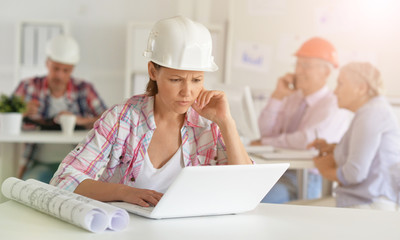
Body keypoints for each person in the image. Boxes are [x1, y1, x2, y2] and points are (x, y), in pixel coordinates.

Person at [50, 16, 252, 207]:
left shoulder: (209, 124)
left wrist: (226, 122)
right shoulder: (122, 119)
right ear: (153, 72)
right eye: (176, 80)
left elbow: (245, 189)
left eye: (197, 80)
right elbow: (63, 179)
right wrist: (123, 192)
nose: (187, 92)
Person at [251, 37, 352, 203]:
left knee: (256, 201)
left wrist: (267, 142)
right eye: (297, 64)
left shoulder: (334, 103)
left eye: (306, 65)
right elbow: (266, 132)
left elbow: (307, 139)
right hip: (278, 171)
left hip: (307, 178)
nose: (298, 71)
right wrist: (277, 96)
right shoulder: (293, 97)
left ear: (326, 72)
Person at [308, 62, 400, 211]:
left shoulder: (371, 114)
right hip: (363, 200)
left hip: (368, 205)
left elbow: (355, 173)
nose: (335, 91)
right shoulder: (372, 111)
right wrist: (334, 148)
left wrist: (324, 170)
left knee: (285, 213)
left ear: (361, 88)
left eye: (340, 84)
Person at [13, 35, 107, 183]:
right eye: (55, 68)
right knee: (30, 187)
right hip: (38, 163)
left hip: (75, 167)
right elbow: (5, 114)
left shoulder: (84, 89)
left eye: (66, 70)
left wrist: (80, 120)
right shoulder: (28, 86)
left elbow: (107, 120)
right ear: (47, 63)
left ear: (72, 69)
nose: (59, 75)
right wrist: (20, 112)